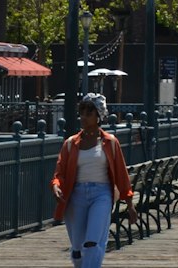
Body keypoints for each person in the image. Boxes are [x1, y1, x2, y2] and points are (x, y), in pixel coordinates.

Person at [52, 93, 137, 268]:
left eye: (89, 113)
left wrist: (130, 204)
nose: (83, 117)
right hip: (76, 196)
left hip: (102, 194)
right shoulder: (70, 143)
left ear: (99, 116)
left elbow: (121, 175)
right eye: (82, 112)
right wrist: (56, 186)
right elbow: (59, 172)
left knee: (92, 243)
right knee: (77, 249)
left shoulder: (110, 143)